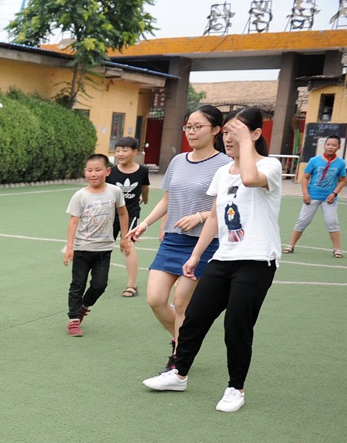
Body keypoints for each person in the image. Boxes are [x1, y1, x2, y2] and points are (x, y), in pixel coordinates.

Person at [142, 107, 282, 413]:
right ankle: (178, 373)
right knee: (194, 317)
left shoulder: (270, 166)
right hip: (223, 256)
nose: (229, 138)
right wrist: (194, 256)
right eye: (228, 132)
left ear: (256, 134)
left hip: (257, 260)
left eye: (236, 132)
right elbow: (216, 217)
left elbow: (249, 177)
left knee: (236, 326)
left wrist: (245, 145)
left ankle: (236, 388)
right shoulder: (222, 173)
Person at [127, 106, 231, 370]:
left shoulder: (226, 165)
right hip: (173, 239)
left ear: (216, 130)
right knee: (155, 299)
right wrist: (146, 224)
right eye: (188, 127)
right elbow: (168, 199)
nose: (191, 132)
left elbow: (229, 205)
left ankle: (178, 359)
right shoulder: (178, 161)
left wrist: (200, 216)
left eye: (198, 127)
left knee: (182, 302)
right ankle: (182, 340)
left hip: (204, 243)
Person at [63, 154, 130, 336]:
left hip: (103, 249)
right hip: (82, 248)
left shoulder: (115, 192)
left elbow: (123, 214)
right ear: (85, 172)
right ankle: (73, 319)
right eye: (89, 170)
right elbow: (73, 222)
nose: (93, 174)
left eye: (98, 170)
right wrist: (70, 247)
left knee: (100, 285)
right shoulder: (80, 196)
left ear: (107, 171)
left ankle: (84, 306)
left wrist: (125, 238)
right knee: (78, 284)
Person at [284, 135, 346, 258]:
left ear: (338, 147)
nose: (330, 147)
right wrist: (305, 193)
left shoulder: (341, 163)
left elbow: (342, 180)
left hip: (329, 199)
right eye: (328, 144)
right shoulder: (314, 160)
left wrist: (334, 193)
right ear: (324, 145)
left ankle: (337, 249)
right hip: (312, 197)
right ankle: (290, 245)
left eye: (334, 145)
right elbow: (305, 177)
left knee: (332, 222)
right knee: (302, 221)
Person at [106, 136, 150, 297]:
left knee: (128, 244)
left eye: (124, 150)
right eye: (117, 150)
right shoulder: (111, 171)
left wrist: (145, 199)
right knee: (104, 245)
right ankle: (100, 276)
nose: (120, 154)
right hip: (110, 215)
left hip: (130, 215)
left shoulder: (142, 171)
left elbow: (145, 188)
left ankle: (132, 285)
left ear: (134, 152)